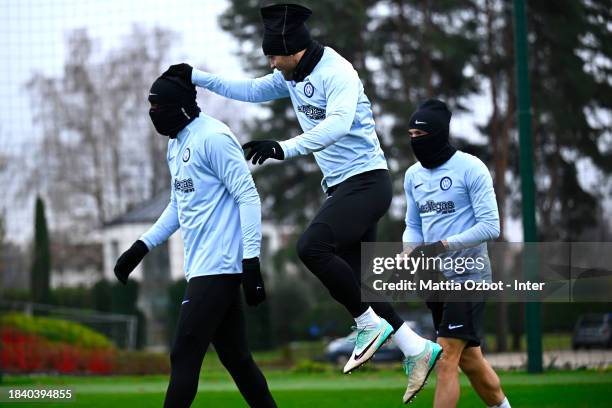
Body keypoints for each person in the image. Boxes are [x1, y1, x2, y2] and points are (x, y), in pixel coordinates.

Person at [166, 3, 441, 403]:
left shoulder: (338, 72)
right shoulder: (291, 74)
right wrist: (197, 76)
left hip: (367, 182)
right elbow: (252, 90)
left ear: (293, 49)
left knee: (311, 247)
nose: (272, 64)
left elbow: (338, 125)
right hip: (341, 189)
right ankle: (416, 348)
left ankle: (368, 324)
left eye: (275, 56)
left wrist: (284, 147)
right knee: (352, 278)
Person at [112, 68, 277, 408]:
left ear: (180, 105)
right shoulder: (176, 144)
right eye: (150, 106)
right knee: (238, 360)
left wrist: (251, 261)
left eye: (158, 105)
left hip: (220, 267)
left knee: (183, 355)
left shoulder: (214, 137)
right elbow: (178, 203)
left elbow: (248, 196)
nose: (153, 113)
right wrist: (140, 247)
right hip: (201, 267)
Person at [402, 99, 511, 408]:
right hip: (434, 280)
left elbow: (491, 226)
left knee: (446, 356)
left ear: (438, 134)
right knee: (470, 359)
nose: (414, 142)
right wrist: (410, 250)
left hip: (469, 276)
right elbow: (412, 224)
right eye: (410, 136)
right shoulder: (412, 176)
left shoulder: (470, 167)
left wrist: (443, 245)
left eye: (420, 136)